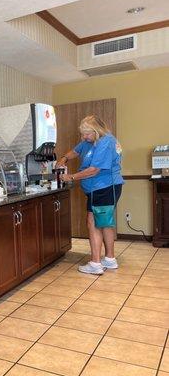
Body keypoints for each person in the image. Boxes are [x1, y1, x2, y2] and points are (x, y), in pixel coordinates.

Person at [56, 115, 124, 275]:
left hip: (104, 188)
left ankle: (95, 263)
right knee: (105, 222)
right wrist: (64, 159)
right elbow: (75, 151)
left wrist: (70, 177)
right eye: (82, 134)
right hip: (105, 188)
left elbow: (94, 170)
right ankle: (110, 259)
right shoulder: (91, 141)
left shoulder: (105, 142)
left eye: (86, 134)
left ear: (96, 130)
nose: (83, 137)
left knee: (93, 222)